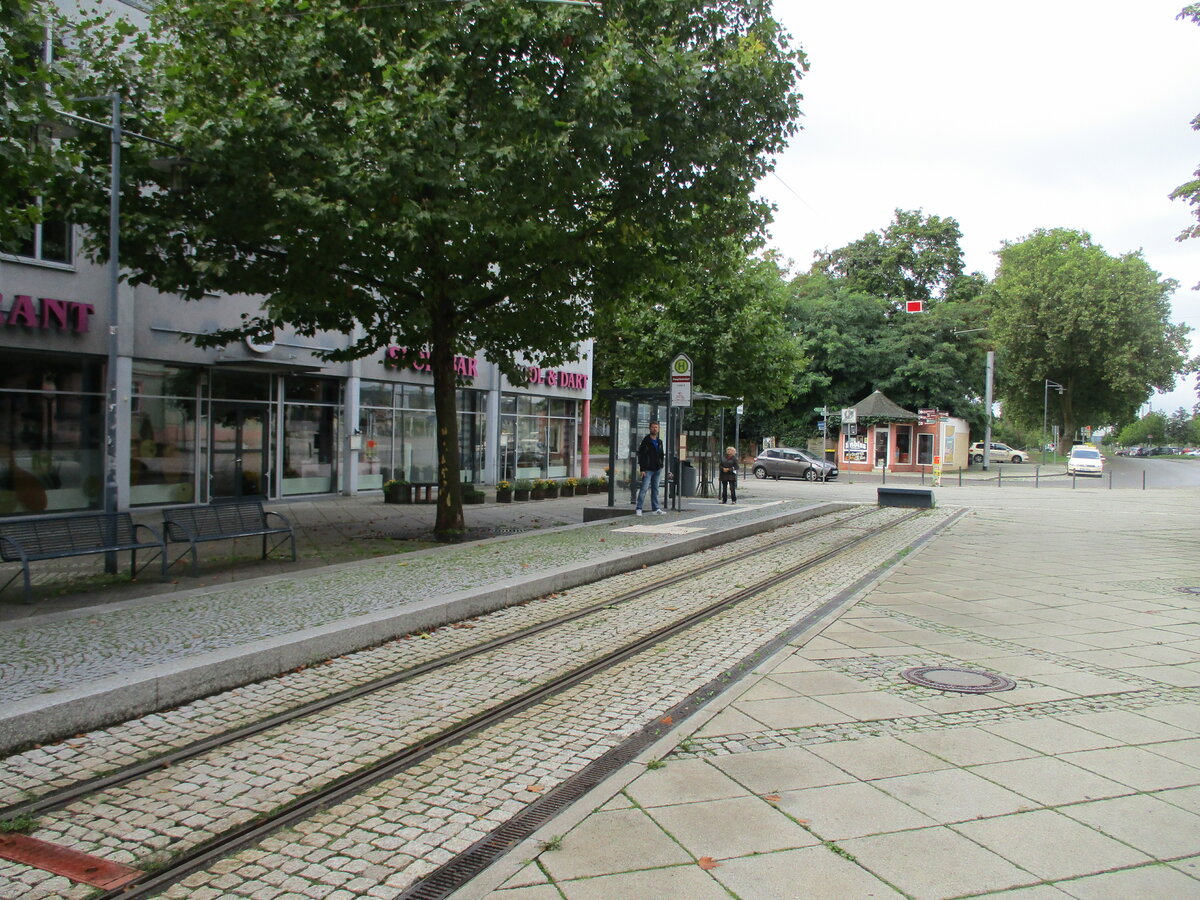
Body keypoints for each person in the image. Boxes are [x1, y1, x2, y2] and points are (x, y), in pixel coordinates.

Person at [635, 421, 665, 516]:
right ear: (650, 428)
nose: (655, 429)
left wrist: (661, 465)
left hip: (657, 469)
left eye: (656, 427)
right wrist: (642, 469)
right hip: (647, 469)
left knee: (655, 489)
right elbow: (641, 455)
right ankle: (639, 508)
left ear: (658, 429)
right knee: (644, 489)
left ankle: (655, 508)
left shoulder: (659, 442)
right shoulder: (646, 441)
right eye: (653, 427)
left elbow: (661, 454)